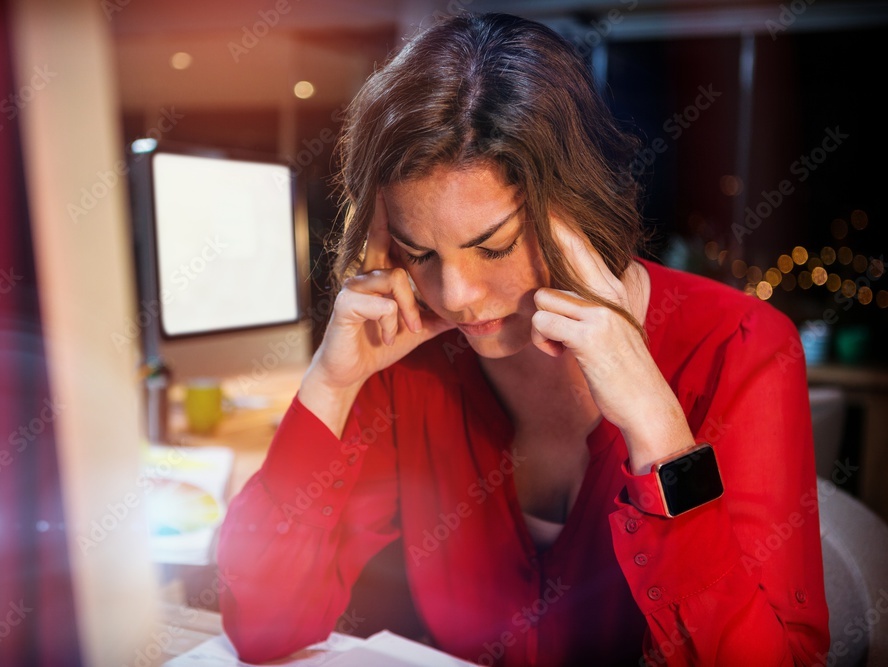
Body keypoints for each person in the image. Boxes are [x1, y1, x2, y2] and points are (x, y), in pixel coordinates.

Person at [217, 12, 830, 666]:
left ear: (578, 204)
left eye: (495, 246)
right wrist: (330, 384)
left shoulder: (740, 346)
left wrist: (660, 432)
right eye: (420, 251)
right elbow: (263, 627)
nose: (456, 295)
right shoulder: (412, 352)